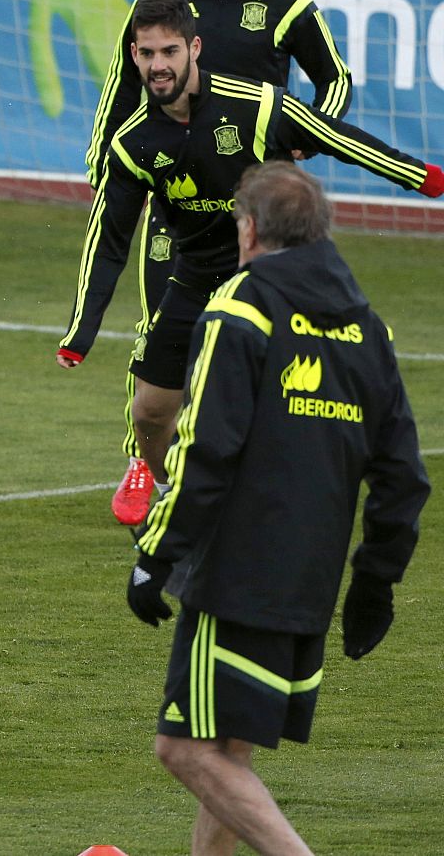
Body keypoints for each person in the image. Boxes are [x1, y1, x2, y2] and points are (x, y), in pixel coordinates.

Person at [124, 162, 429, 856]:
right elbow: (404, 477)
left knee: (183, 749)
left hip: (239, 574)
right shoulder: (367, 328)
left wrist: (155, 553)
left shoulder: (241, 306)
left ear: (251, 228)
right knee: (230, 746)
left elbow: (205, 448)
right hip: (311, 579)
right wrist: (374, 583)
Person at [58, 0, 439, 496]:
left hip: (272, 274)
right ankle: (193, 501)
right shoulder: (132, 144)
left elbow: (341, 140)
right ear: (133, 56)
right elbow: (109, 240)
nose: (158, 65)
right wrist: (81, 332)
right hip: (195, 277)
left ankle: (357, 370)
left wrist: (422, 177)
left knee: (290, 395)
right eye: (147, 54)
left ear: (194, 49)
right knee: (149, 413)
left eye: (169, 51)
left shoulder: (257, 106)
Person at [85, 0, 353, 525]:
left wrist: (315, 136)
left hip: (256, 212)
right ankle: (145, 462)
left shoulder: (289, 6)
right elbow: (124, 87)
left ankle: (264, 462)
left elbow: (335, 77)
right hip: (175, 199)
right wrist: (103, 164)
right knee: (161, 330)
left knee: (261, 335)